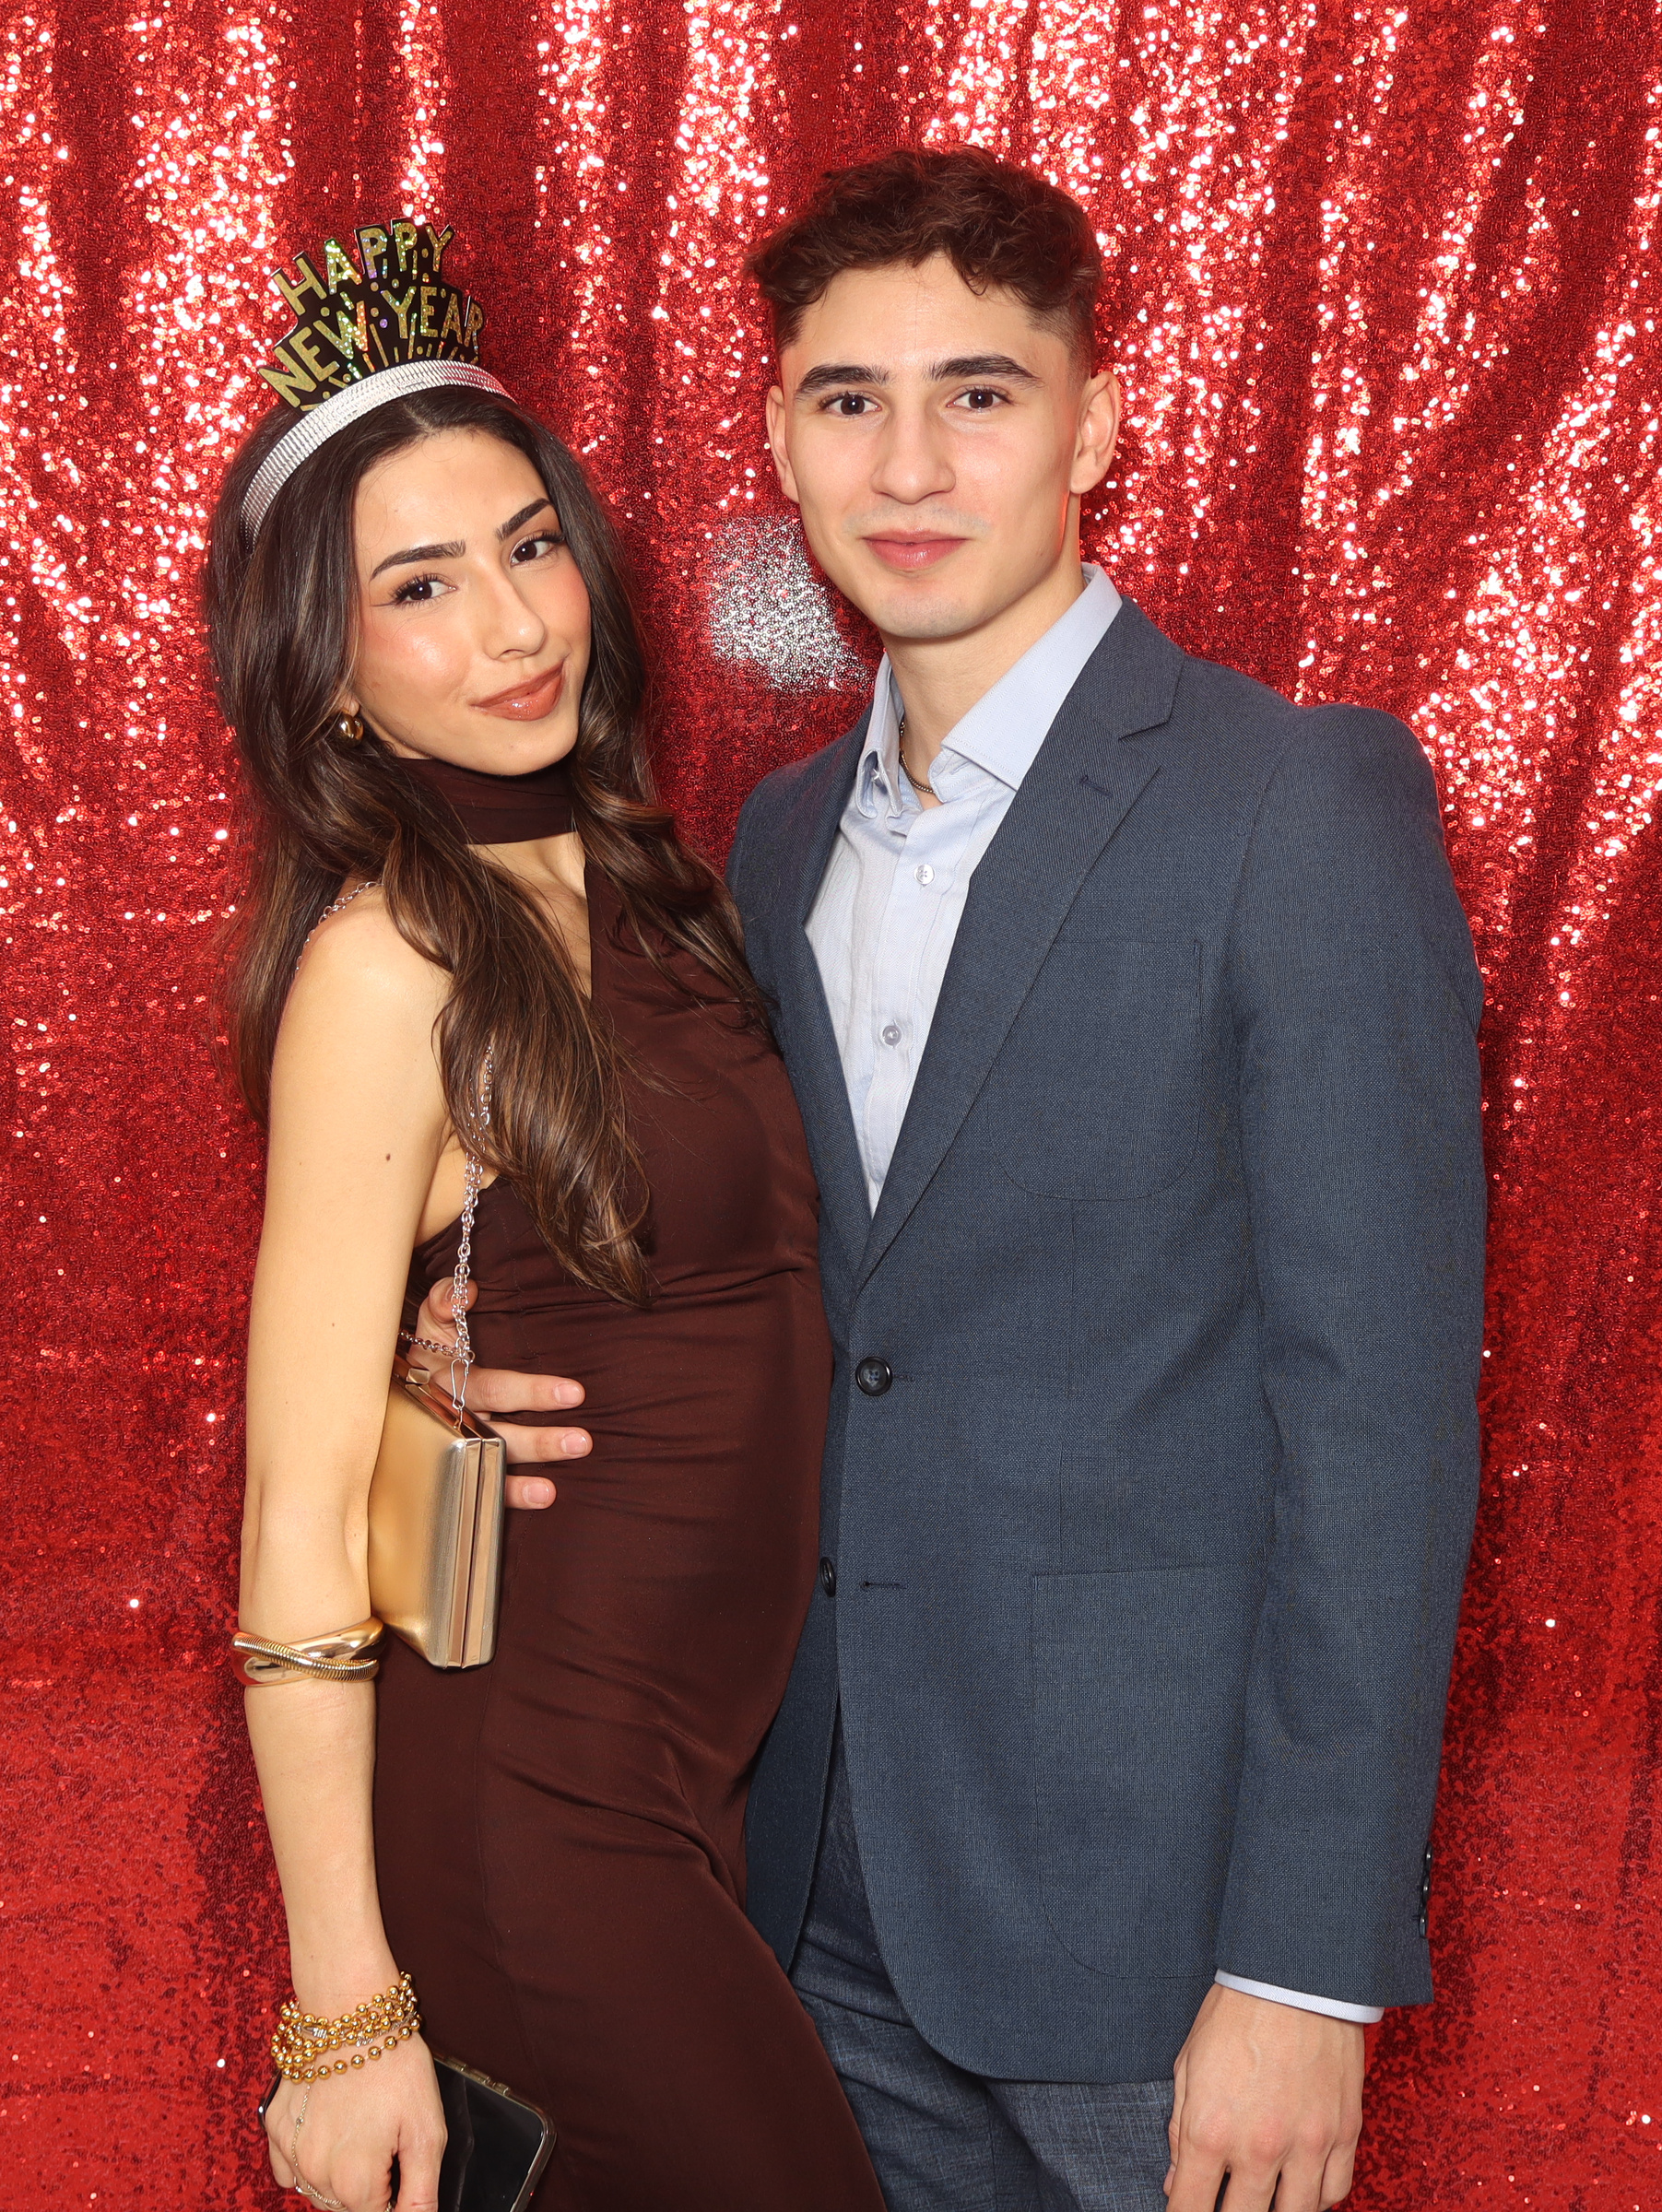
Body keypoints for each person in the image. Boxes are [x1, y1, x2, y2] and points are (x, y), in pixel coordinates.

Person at [461, 147, 1490, 2211]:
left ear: (1097, 426)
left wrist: (1303, 1964)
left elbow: (1377, 1426)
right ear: (780, 437)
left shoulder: (1295, 804)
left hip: (1156, 1941)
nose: (909, 463)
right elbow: (767, 1302)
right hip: (801, 1880)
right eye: (849, 400)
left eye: (980, 394)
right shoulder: (762, 841)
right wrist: (464, 1341)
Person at [215, 219, 883, 2212]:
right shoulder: (386, 965)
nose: (512, 623)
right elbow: (296, 1519)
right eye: (419, 587)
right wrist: (344, 2014)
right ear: (330, 679)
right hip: (538, 1815)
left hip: (691, 1801)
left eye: (527, 546)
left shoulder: (653, 876)